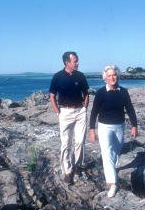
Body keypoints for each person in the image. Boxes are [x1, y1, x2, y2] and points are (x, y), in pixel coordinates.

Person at [89, 65, 138, 198]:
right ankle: (113, 183)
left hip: (119, 126)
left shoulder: (123, 92)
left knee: (116, 152)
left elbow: (130, 109)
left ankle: (112, 170)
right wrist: (92, 129)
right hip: (104, 126)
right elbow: (94, 112)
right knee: (106, 153)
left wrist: (134, 125)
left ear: (118, 76)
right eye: (109, 75)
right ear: (105, 78)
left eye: (114, 75)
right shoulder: (100, 93)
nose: (112, 77)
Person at [49, 51, 89, 184]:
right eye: (75, 61)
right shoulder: (57, 77)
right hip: (65, 112)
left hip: (80, 112)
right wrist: (57, 111)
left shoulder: (81, 76)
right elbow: (52, 95)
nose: (77, 63)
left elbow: (86, 93)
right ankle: (67, 171)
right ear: (67, 62)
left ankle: (77, 166)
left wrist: (85, 107)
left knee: (79, 141)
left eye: (77, 61)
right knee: (66, 143)